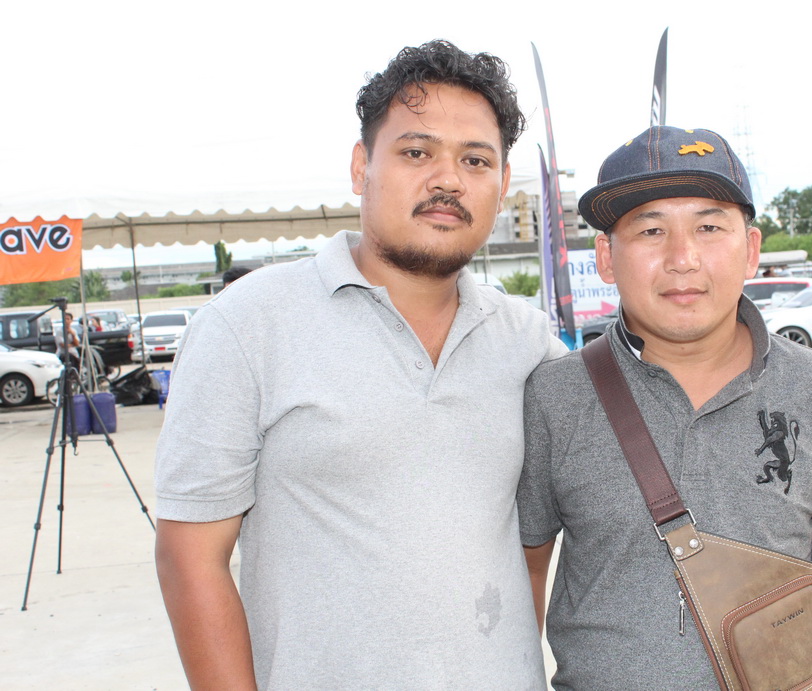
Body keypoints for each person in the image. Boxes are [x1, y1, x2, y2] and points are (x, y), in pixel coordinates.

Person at [154, 40, 566, 690]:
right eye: (416, 152)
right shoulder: (247, 324)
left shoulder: (528, 341)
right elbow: (190, 558)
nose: (448, 180)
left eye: (475, 160)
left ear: (501, 182)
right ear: (360, 166)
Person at [519, 126, 812, 690]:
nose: (682, 258)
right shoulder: (553, 396)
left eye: (709, 227)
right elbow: (527, 568)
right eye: (651, 230)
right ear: (606, 258)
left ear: (751, 250)